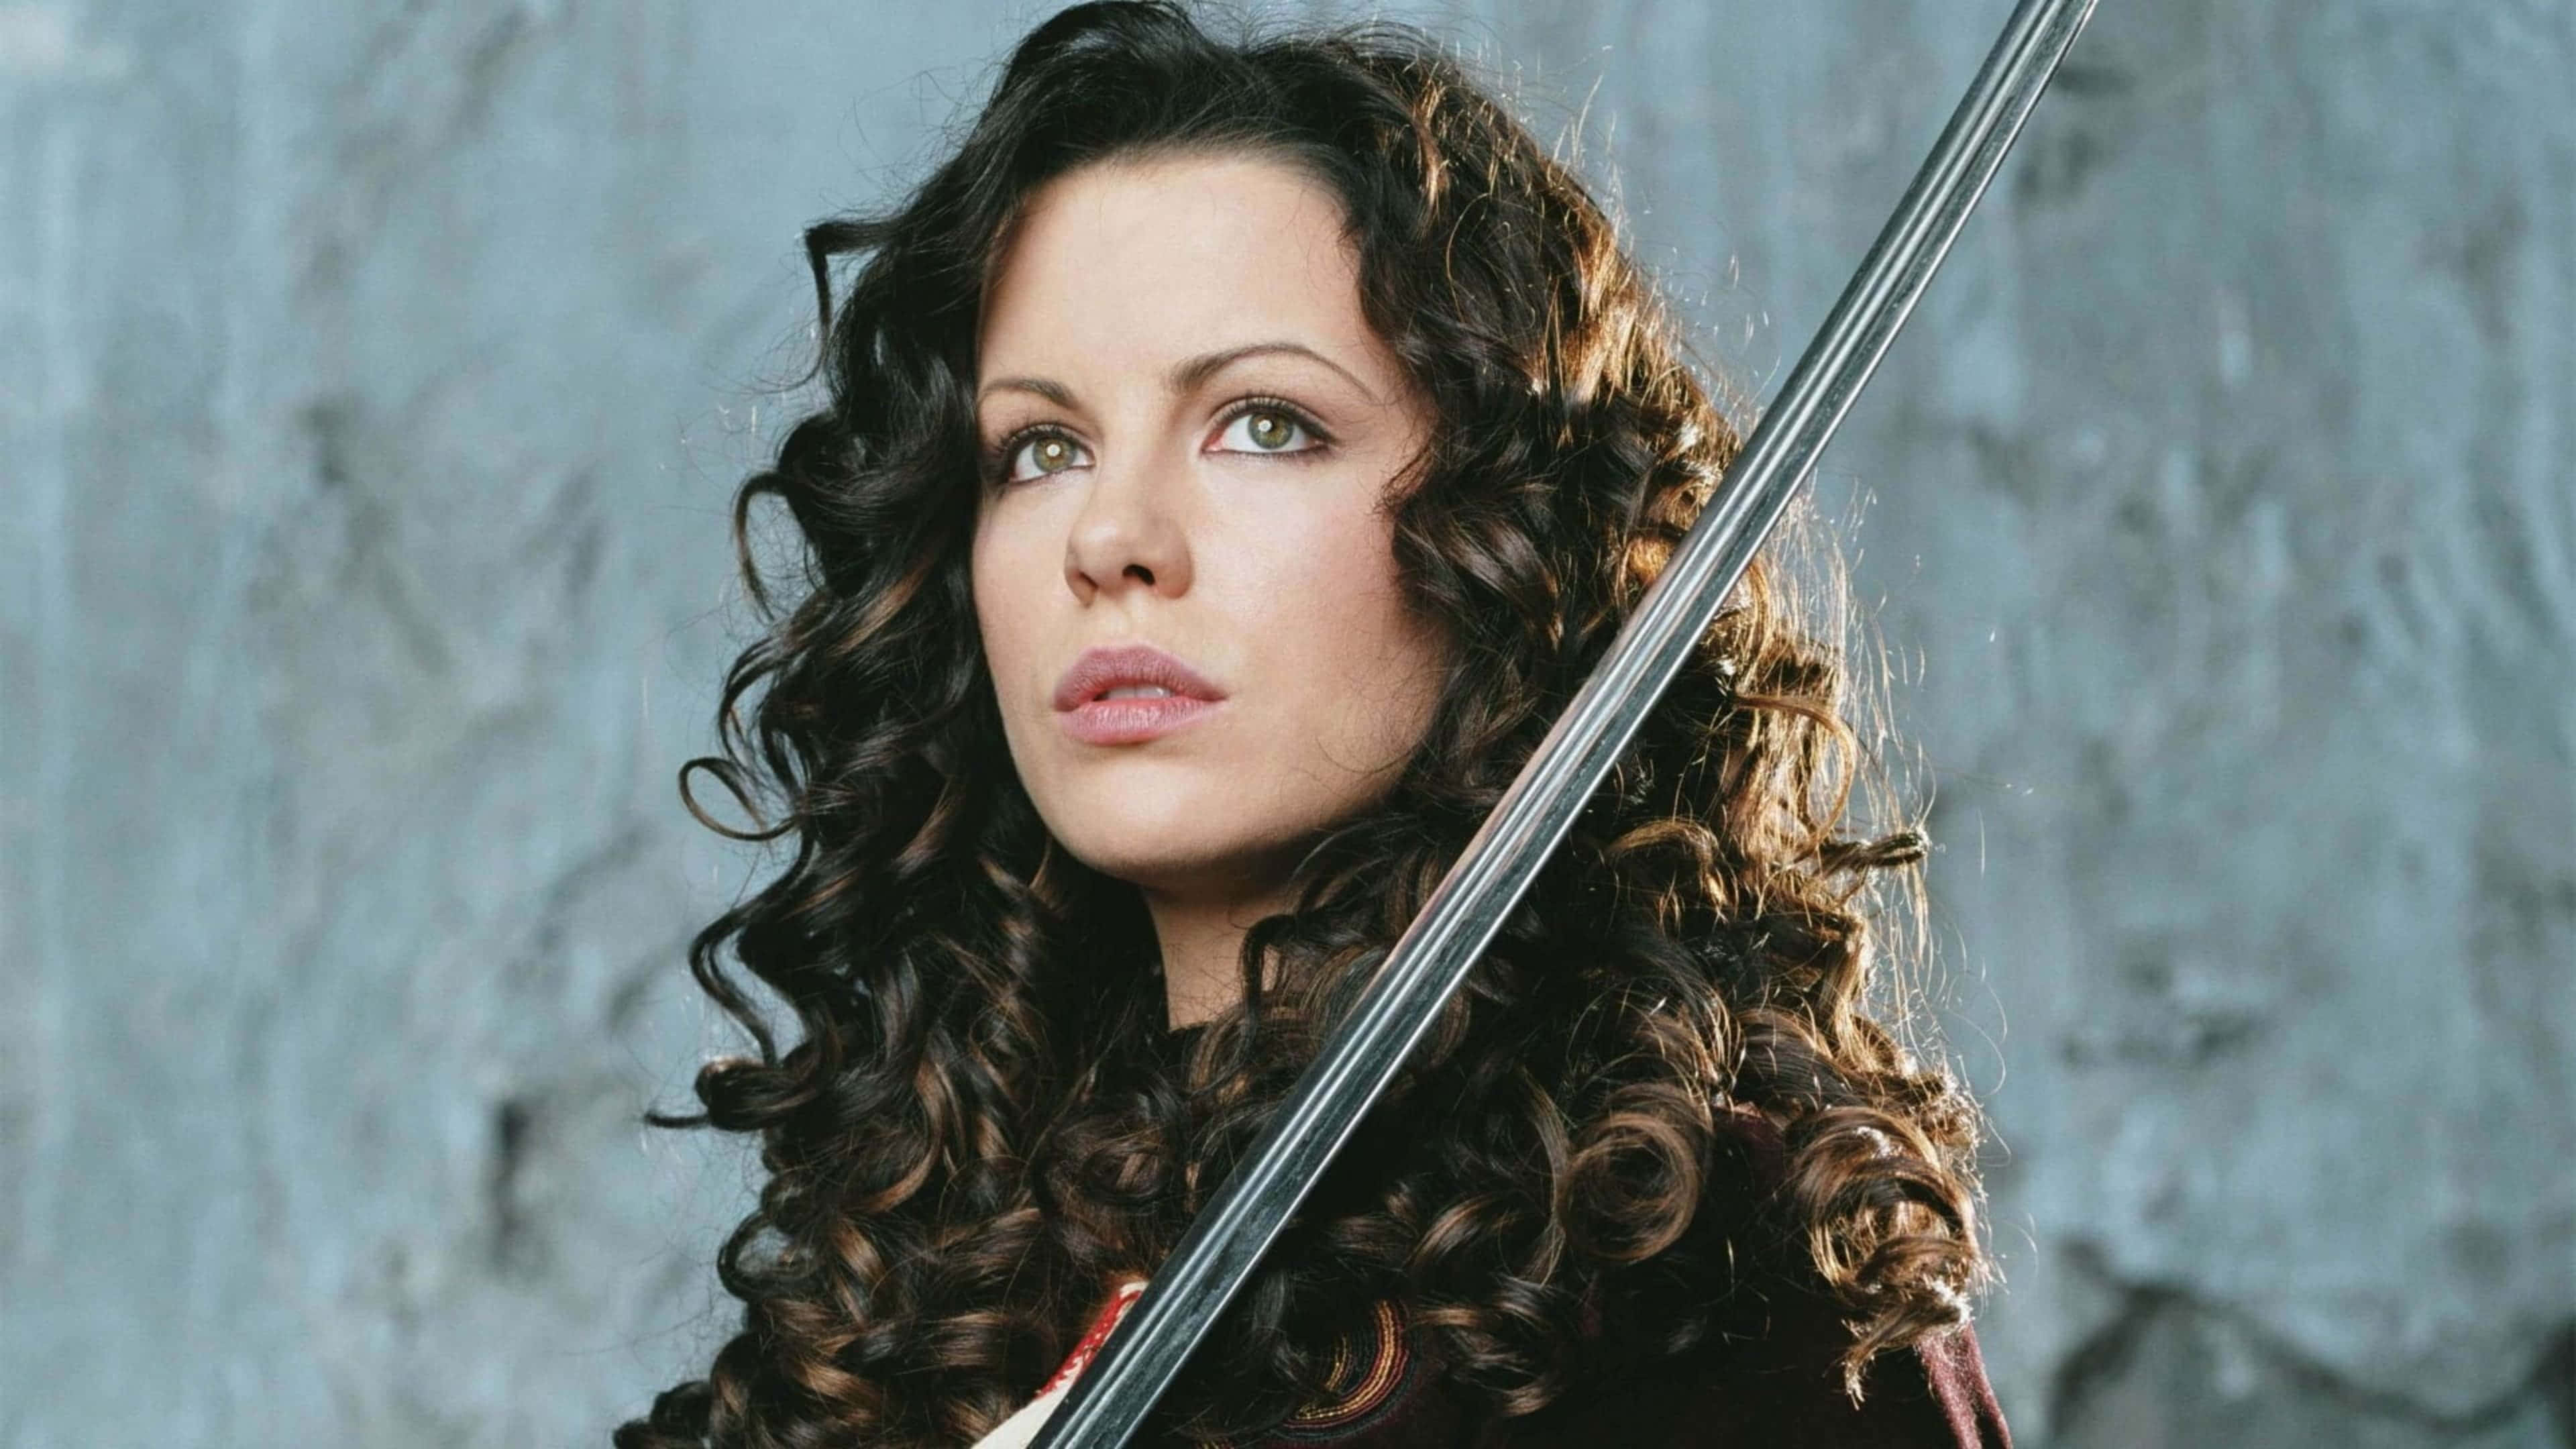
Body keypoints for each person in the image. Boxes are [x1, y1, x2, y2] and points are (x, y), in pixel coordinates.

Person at [617, 4, 2006, 1446]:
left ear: (1514, 534)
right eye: (1040, 447)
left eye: (1265, 424)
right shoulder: (927, 1280)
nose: (1110, 537)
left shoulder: (1707, 1276)